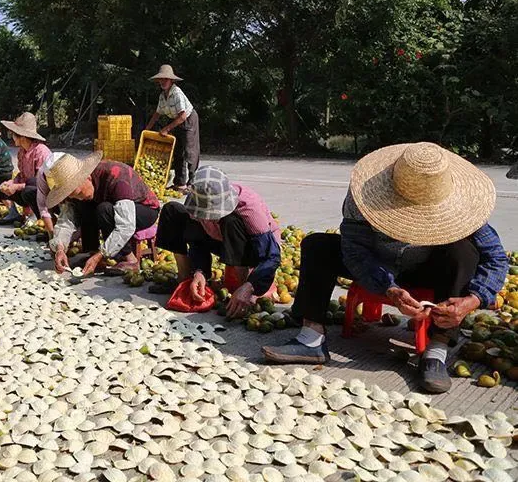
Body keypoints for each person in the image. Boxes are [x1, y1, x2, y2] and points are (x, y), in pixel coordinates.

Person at [262, 142, 508, 394]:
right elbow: (354, 251)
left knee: (464, 252)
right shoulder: (363, 195)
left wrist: (474, 299)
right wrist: (388, 287)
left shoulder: (463, 207)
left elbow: (496, 258)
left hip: (426, 269)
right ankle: (311, 338)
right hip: (377, 264)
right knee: (317, 245)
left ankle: (437, 349)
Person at [154, 167, 281, 308]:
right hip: (221, 240)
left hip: (252, 248)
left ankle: (243, 288)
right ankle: (185, 279)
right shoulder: (198, 201)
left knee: (230, 221)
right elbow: (197, 240)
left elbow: (271, 256)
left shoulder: (249, 207)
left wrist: (250, 286)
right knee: (171, 210)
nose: (210, 218)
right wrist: (199, 271)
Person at [46, 152, 161, 275]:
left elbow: (126, 226)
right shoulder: (77, 193)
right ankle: (91, 252)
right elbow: (66, 222)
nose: (78, 197)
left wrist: (101, 254)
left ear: (88, 177)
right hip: (113, 206)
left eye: (78, 193)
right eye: (72, 196)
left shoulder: (115, 176)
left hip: (144, 209)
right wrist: (60, 248)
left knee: (104, 209)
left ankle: (130, 260)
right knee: (83, 205)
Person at [144, 64, 200, 192]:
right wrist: (147, 129)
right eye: (161, 79)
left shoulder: (176, 93)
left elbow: (183, 116)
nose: (163, 82)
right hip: (176, 120)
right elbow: (157, 114)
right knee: (178, 151)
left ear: (171, 81)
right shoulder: (162, 96)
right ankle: (179, 183)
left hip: (188, 119)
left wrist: (167, 129)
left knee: (189, 151)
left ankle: (192, 183)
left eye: (166, 79)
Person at [0, 112, 51, 225]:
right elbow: (22, 174)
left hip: (43, 190)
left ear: (22, 137)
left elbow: (39, 182)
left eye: (13, 134)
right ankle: (17, 213)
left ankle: (37, 215)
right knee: (3, 186)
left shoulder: (41, 151)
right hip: (28, 186)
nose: (12, 137)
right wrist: (11, 182)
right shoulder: (22, 151)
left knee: (28, 190)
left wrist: (16, 186)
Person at [34, 151, 65, 236]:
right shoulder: (42, 174)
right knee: (30, 191)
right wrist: (51, 234)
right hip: (54, 199)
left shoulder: (72, 175)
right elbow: (43, 206)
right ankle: (53, 228)